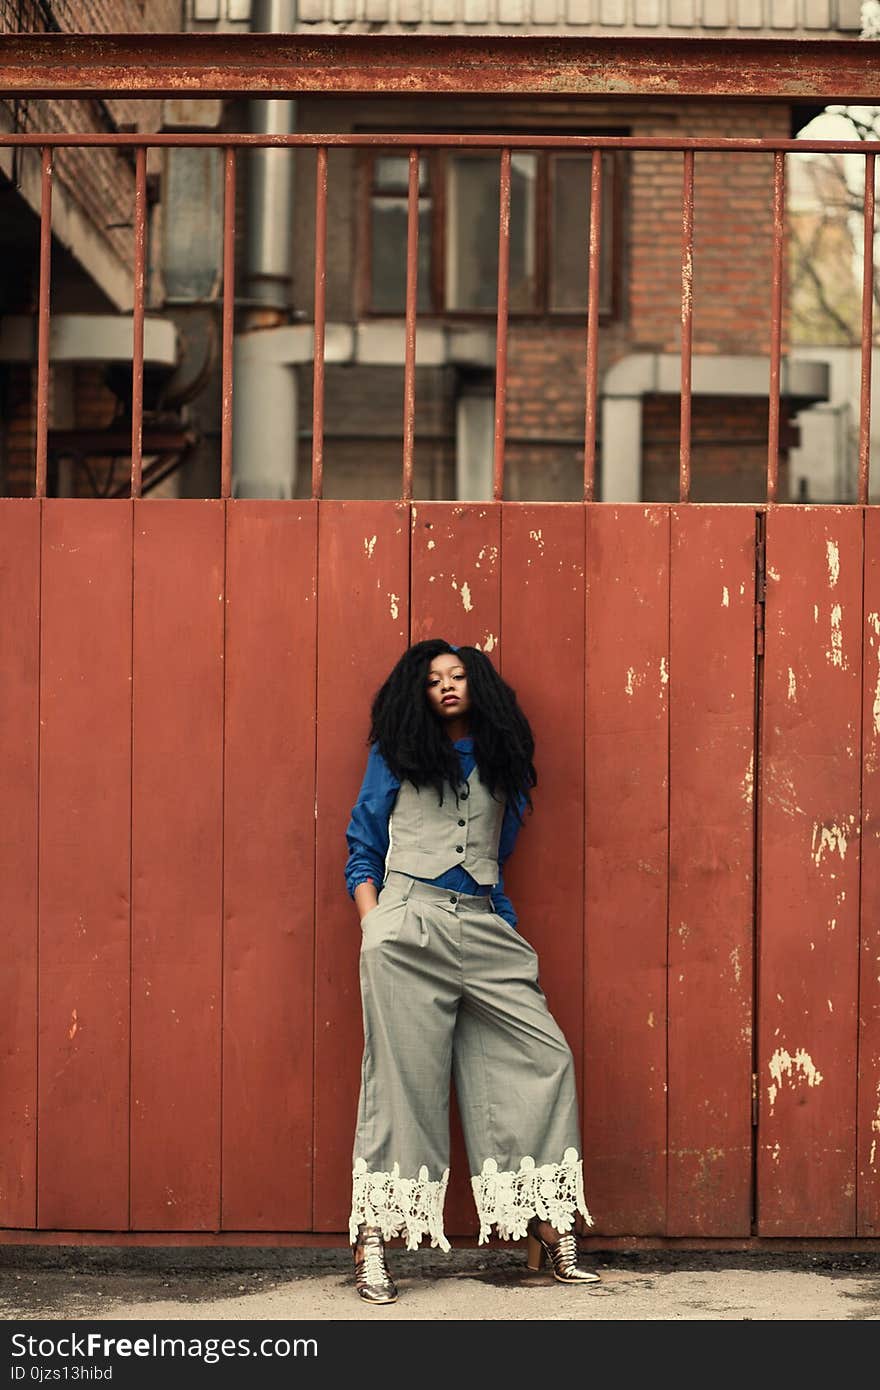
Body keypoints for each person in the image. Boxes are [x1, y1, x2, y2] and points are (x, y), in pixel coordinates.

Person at [344, 637, 599, 1304]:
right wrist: (376, 925)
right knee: (403, 1086)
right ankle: (374, 1242)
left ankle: (543, 1230)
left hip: (484, 924)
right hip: (408, 925)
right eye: (434, 679)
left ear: (478, 687)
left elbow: (496, 856)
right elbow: (362, 845)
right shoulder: (395, 754)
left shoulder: (501, 761)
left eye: (458, 676)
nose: (447, 686)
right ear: (418, 692)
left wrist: (502, 933)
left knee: (546, 1059)